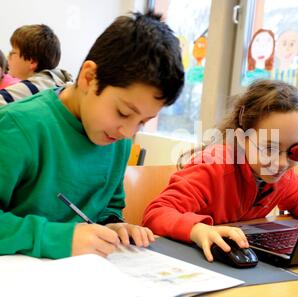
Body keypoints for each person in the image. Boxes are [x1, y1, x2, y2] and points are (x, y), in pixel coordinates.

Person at [0, 11, 185, 259]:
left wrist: (113, 226)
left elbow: (109, 205)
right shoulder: (18, 127)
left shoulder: (117, 138)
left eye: (143, 122)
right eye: (122, 112)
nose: (128, 132)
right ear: (89, 78)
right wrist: (58, 237)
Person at [142, 80, 298, 262]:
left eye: (293, 151)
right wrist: (197, 229)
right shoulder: (212, 167)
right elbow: (157, 213)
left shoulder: (283, 176)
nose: (281, 163)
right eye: (269, 149)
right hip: (194, 260)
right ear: (241, 139)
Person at [0, 24, 72, 105]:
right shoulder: (54, 79)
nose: (8, 57)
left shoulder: (37, 85)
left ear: (32, 62)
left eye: (12, 53)